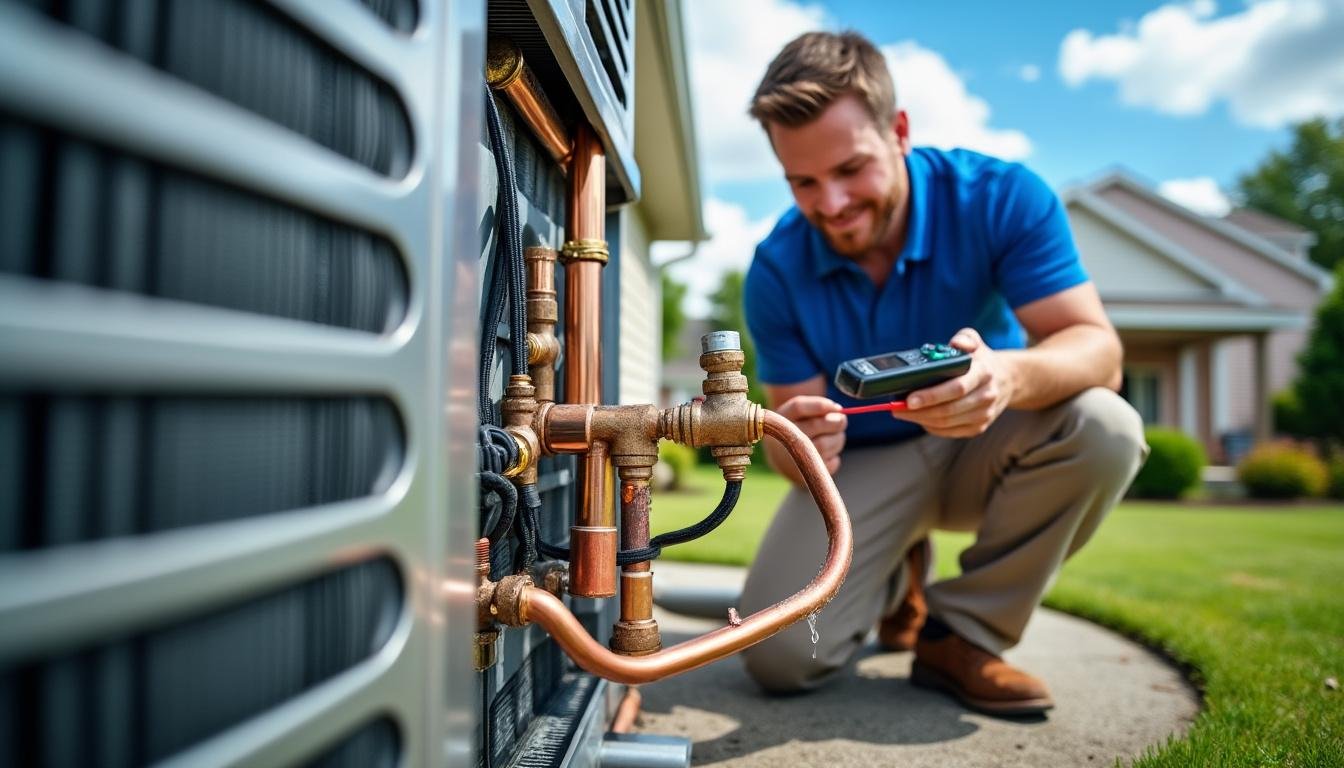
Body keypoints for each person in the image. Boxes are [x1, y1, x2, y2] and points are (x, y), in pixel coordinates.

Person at [737, 30, 1147, 716]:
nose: (831, 204)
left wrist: (1006, 378)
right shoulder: (775, 268)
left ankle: (962, 635)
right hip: (863, 468)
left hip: (991, 440)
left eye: (851, 169)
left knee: (1107, 426)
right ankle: (897, 580)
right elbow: (790, 450)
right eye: (803, 182)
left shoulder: (1002, 196)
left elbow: (1100, 352)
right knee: (782, 659)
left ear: (899, 132)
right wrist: (797, 443)